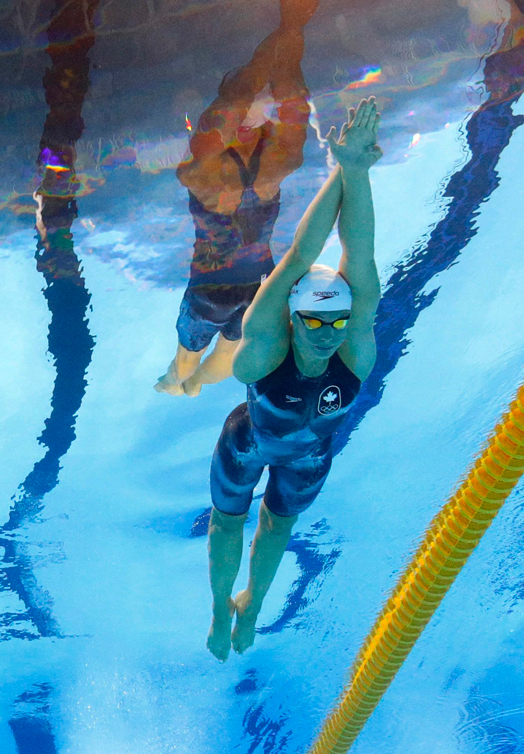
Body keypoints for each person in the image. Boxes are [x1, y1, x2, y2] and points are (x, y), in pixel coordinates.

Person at [205, 97, 382, 661]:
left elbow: (361, 251)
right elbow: (302, 255)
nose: (329, 331)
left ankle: (253, 604)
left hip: (309, 456)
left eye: (339, 318)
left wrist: (354, 169)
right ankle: (217, 609)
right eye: (315, 318)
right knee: (228, 523)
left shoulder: (354, 349)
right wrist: (344, 169)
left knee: (278, 528)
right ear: (292, 317)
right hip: (248, 442)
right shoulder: (264, 345)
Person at [156, 0, 318, 396]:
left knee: (186, 357)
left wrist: (285, 32)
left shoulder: (204, 167)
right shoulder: (279, 161)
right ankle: (191, 384)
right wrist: (291, 27)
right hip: (259, 285)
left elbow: (242, 97)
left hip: (209, 290)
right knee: (226, 361)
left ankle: (181, 382)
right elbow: (293, 100)